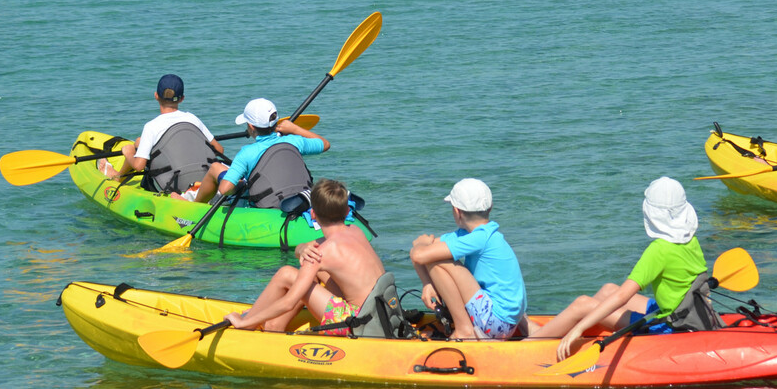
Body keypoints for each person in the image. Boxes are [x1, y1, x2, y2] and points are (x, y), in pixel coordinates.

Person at [531, 177, 710, 360]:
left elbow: (622, 296)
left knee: (582, 304)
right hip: (685, 311)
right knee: (608, 289)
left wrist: (580, 327)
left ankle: (525, 346)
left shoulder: (659, 250)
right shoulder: (690, 239)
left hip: (671, 326)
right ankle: (561, 335)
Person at [225, 179, 388, 335]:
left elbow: (289, 302)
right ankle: (275, 325)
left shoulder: (322, 253)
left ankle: (247, 325)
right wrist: (302, 248)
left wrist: (243, 322)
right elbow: (304, 247)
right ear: (347, 211)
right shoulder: (355, 231)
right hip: (382, 315)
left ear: (313, 214)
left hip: (356, 324)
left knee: (286, 274)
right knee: (315, 273)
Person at [409, 178, 528, 340]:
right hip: (506, 322)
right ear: (490, 207)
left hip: (497, 325)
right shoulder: (479, 234)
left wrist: (421, 243)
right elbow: (422, 254)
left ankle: (464, 329)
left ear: (457, 211)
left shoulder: (479, 239)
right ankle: (464, 324)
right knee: (434, 255)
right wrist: (428, 284)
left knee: (438, 260)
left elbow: (419, 254)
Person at [101, 74, 225, 195]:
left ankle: (118, 177)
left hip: (170, 186)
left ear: (156, 96)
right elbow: (219, 149)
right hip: (203, 179)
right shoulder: (192, 118)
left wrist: (128, 153)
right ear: (182, 98)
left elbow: (139, 166)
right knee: (140, 142)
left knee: (136, 146)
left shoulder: (151, 126)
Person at [192, 98, 329, 205]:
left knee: (216, 167)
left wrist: (242, 184)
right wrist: (295, 129)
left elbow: (225, 189)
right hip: (300, 198)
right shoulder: (295, 141)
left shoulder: (247, 152)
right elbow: (325, 144)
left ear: (251, 127)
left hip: (267, 204)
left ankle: (194, 207)